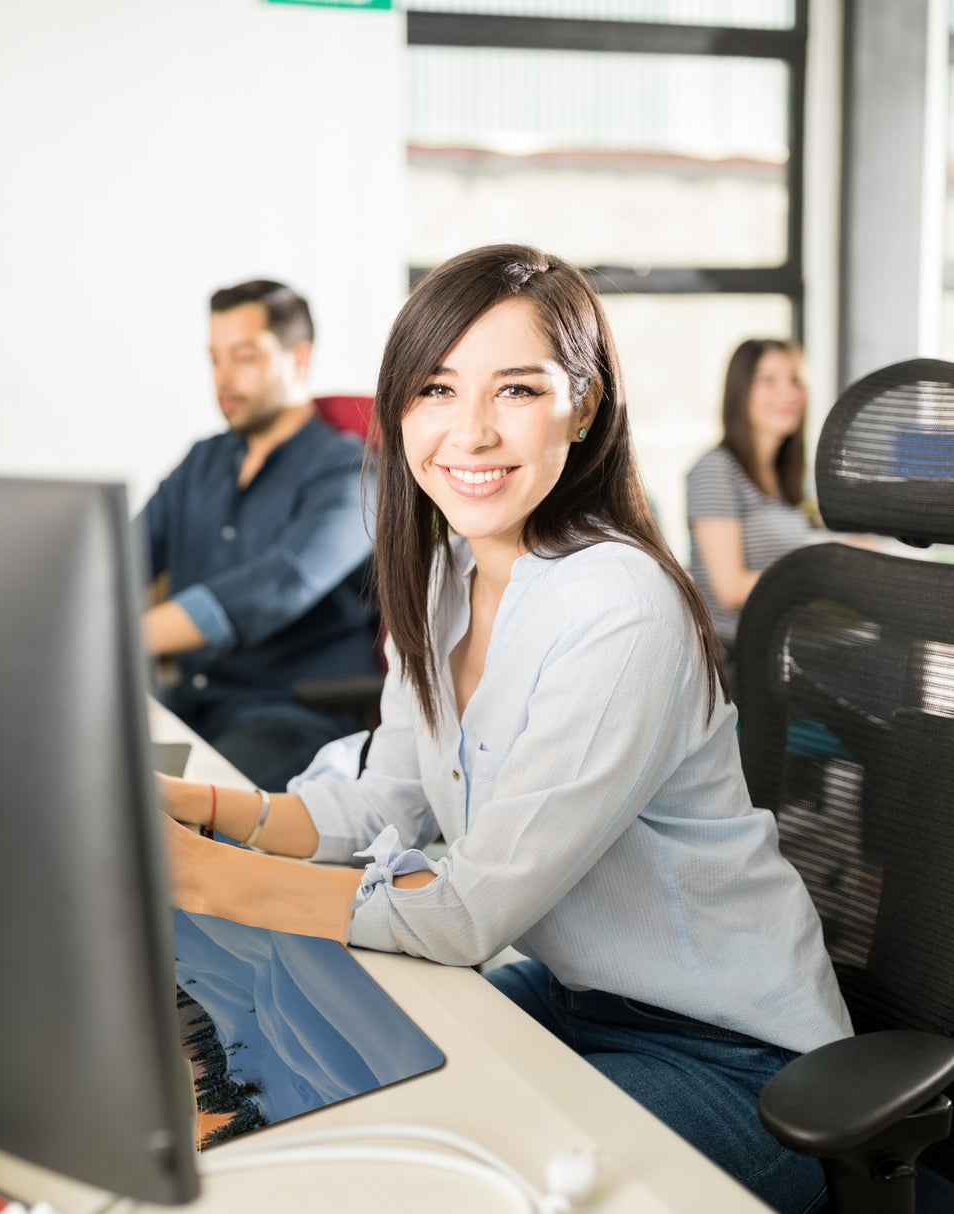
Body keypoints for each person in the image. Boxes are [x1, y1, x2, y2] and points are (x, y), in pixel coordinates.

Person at [158, 245, 851, 1214]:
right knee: (318, 1104)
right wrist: (183, 806)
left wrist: (192, 874)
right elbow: (381, 795)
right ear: (397, 408)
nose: (469, 430)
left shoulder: (619, 606)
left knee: (441, 1191)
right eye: (435, 388)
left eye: (516, 388)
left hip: (734, 1056)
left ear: (583, 404)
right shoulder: (444, 572)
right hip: (571, 997)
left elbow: (464, 910)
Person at [138, 279, 379, 790]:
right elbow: (115, 561)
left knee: (178, 820)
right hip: (194, 702)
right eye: (214, 359)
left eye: (243, 357)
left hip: (293, 714)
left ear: (297, 358)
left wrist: (121, 636)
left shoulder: (352, 473)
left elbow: (280, 585)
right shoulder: (201, 461)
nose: (222, 378)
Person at [686, 338, 822, 679]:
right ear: (740, 390)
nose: (787, 393)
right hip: (738, 659)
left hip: (782, 649)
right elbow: (729, 589)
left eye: (795, 380)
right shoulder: (715, 470)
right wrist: (825, 569)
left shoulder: (784, 479)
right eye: (768, 380)